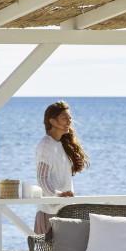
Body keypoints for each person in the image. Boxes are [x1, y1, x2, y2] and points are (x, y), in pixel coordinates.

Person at [34, 100, 90, 234]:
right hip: (51, 213)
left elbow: (56, 174)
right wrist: (57, 194)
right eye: (65, 118)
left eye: (70, 118)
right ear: (52, 121)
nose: (69, 121)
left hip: (65, 209)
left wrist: (73, 168)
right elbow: (42, 178)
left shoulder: (59, 144)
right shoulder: (46, 144)